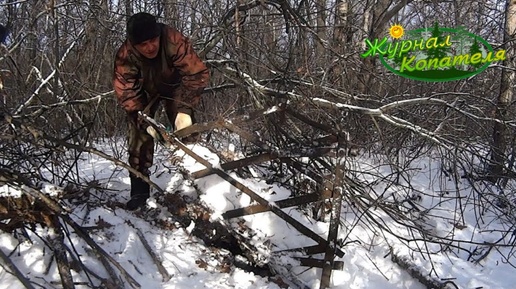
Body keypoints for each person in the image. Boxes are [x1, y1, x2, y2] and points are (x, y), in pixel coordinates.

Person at [113, 12, 210, 210]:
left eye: (153, 40)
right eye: (143, 44)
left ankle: (201, 185)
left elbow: (196, 73)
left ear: (158, 34)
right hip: (144, 94)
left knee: (188, 131)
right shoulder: (125, 56)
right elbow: (127, 94)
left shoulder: (173, 40)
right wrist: (144, 121)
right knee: (138, 137)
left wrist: (185, 109)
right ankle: (139, 192)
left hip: (176, 87)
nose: (150, 47)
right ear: (134, 44)